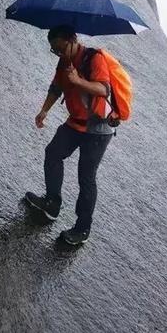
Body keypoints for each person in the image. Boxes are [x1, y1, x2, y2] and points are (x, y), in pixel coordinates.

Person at [25, 25, 113, 246]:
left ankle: (82, 229)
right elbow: (57, 87)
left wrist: (78, 81)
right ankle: (52, 204)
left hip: (97, 130)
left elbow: (104, 89)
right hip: (74, 123)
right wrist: (44, 110)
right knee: (53, 153)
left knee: (86, 177)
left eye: (61, 48)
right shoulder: (64, 61)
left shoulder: (94, 58)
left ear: (73, 39)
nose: (59, 54)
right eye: (55, 50)